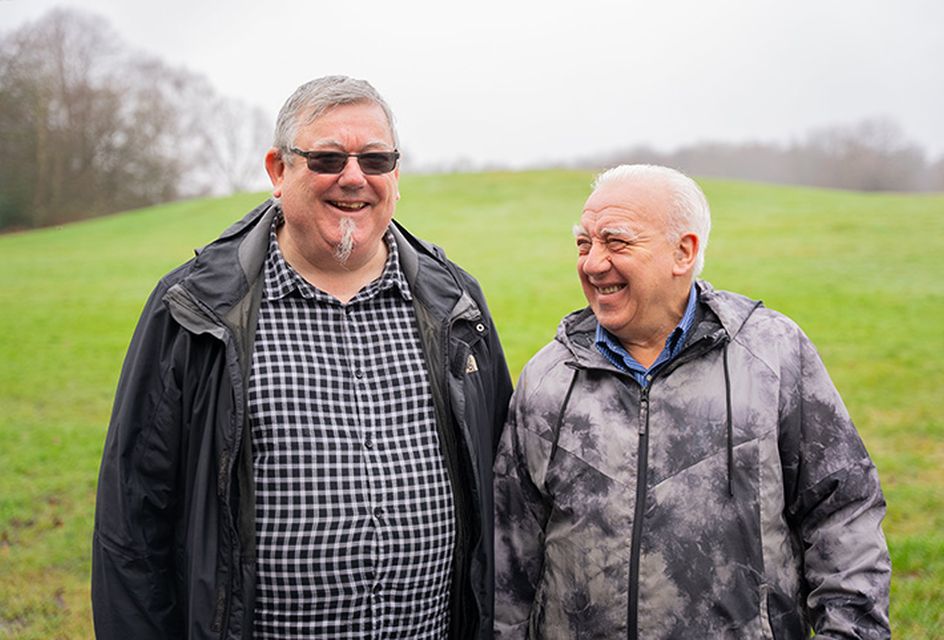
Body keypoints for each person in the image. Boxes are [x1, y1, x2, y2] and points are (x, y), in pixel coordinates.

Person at [92, 75, 513, 639]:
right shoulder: (193, 308)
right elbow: (132, 523)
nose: (354, 178)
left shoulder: (457, 302)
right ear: (278, 170)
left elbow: (502, 496)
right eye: (327, 159)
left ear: (395, 174)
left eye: (376, 159)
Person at [494, 164, 891, 639]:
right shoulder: (548, 378)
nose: (593, 263)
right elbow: (509, 553)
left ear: (683, 252)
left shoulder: (772, 354)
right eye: (584, 244)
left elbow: (843, 511)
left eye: (616, 242)